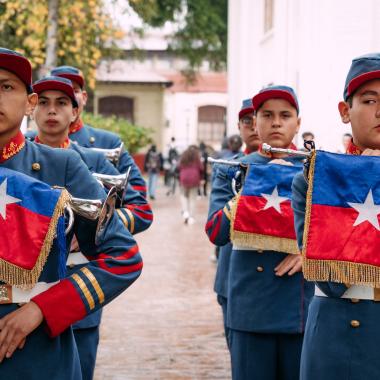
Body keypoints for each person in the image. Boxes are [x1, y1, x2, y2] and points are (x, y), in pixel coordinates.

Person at [0, 47, 143, 379]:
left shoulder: (60, 166)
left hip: (37, 353)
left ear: (29, 103)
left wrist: (43, 308)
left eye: (6, 86)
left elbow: (123, 258)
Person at [31, 76, 152, 380]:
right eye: (43, 102)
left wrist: (90, 229)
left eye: (62, 103)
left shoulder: (92, 161)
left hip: (76, 286)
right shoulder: (17, 160)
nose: (51, 111)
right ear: (31, 108)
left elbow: (141, 211)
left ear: (75, 112)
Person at [206, 87, 314, 380]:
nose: (276, 122)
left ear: (298, 122)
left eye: (285, 115)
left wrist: (307, 251)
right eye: (267, 115)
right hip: (250, 306)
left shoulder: (316, 169)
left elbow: (336, 232)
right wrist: (258, 185)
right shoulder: (233, 169)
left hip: (299, 304)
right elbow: (215, 231)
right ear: (255, 122)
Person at [292, 53, 380, 380]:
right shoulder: (316, 180)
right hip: (339, 337)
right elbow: (330, 280)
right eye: (369, 100)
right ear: (346, 111)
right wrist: (363, 184)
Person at [46, 65, 147, 198]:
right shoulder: (28, 141)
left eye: (73, 91)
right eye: (58, 94)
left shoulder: (109, 142)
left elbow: (138, 192)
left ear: (84, 97)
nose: (68, 97)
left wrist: (107, 215)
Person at [206, 98, 260, 348]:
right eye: (247, 120)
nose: (254, 125)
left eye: (260, 117)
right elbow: (215, 228)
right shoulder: (227, 168)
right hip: (234, 277)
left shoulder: (302, 166)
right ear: (239, 126)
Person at [178, 145, 203, 224]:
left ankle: (185, 212)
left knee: (183, 195)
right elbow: (201, 168)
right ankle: (191, 217)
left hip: (184, 177)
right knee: (192, 198)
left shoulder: (183, 156)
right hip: (194, 178)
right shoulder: (197, 157)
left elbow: (178, 166)